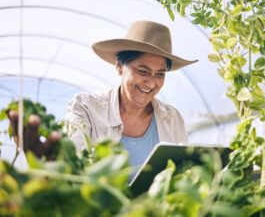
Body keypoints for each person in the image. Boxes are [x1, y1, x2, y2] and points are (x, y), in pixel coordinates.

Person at [65, 20, 198, 168]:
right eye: (143, 72)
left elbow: (180, 171)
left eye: (160, 74)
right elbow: (72, 165)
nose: (151, 83)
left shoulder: (173, 119)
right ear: (119, 67)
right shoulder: (86, 108)